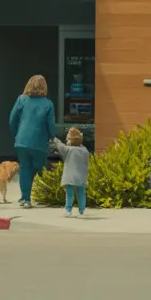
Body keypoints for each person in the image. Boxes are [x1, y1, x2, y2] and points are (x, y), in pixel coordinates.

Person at [9, 75, 56, 209]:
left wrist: (17, 133)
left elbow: (12, 119)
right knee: (39, 167)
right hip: (39, 142)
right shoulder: (48, 104)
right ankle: (44, 194)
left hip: (22, 140)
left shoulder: (21, 100)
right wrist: (53, 137)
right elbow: (51, 124)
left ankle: (25, 198)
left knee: (24, 168)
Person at [50, 127, 90, 217]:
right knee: (81, 193)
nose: (66, 141)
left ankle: (68, 210)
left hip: (71, 177)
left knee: (70, 194)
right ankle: (82, 210)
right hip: (82, 176)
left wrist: (54, 138)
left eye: (68, 139)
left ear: (71, 141)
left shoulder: (68, 150)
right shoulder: (85, 151)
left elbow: (60, 145)